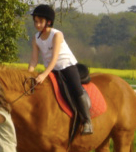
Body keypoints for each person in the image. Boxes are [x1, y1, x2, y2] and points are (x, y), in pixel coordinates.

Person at [28, 4, 92, 135]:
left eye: (40, 21)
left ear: (48, 22)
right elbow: (34, 60)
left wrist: (43, 75)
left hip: (66, 66)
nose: (37, 24)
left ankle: (87, 121)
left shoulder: (57, 35)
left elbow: (54, 59)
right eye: (35, 21)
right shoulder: (36, 38)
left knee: (75, 88)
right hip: (52, 70)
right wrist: (27, 74)